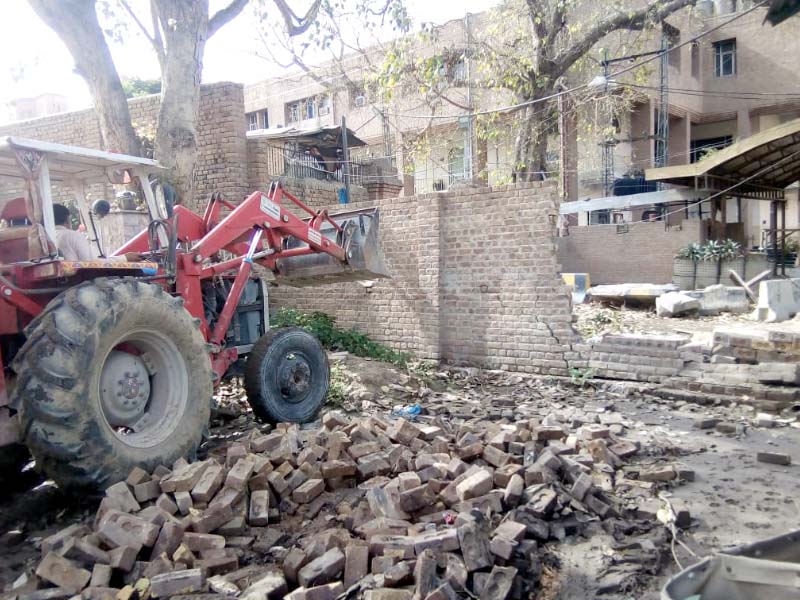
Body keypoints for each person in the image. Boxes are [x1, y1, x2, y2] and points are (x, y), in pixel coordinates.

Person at [53, 203, 141, 262]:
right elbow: (92, 263)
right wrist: (124, 258)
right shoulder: (72, 236)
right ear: (67, 220)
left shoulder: (48, 238)